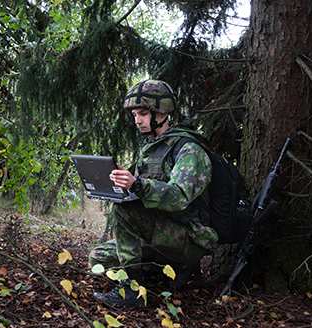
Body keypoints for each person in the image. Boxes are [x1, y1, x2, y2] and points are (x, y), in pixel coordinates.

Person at [90, 79, 218, 307]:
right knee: (98, 258)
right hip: (160, 232)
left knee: (124, 208)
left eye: (143, 113)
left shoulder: (188, 149)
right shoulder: (151, 148)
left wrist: (138, 185)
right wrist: (121, 184)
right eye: (134, 115)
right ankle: (161, 270)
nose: (137, 120)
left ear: (161, 113)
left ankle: (132, 291)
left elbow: (179, 197)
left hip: (189, 237)